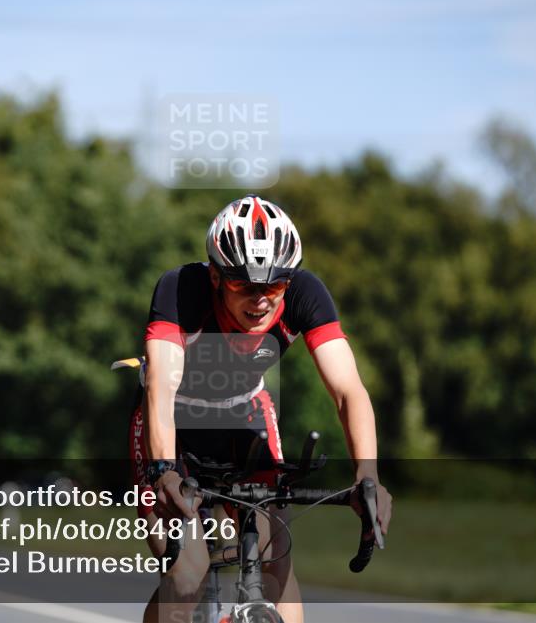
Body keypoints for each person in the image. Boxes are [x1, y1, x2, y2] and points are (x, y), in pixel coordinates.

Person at [128, 195, 393, 623]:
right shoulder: (180, 289)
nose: (260, 300)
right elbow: (161, 386)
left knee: (277, 561)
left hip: (244, 417)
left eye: (273, 286)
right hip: (172, 423)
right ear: (215, 275)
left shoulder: (306, 293)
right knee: (188, 572)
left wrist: (368, 475)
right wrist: (164, 471)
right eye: (243, 285)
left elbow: (348, 390)